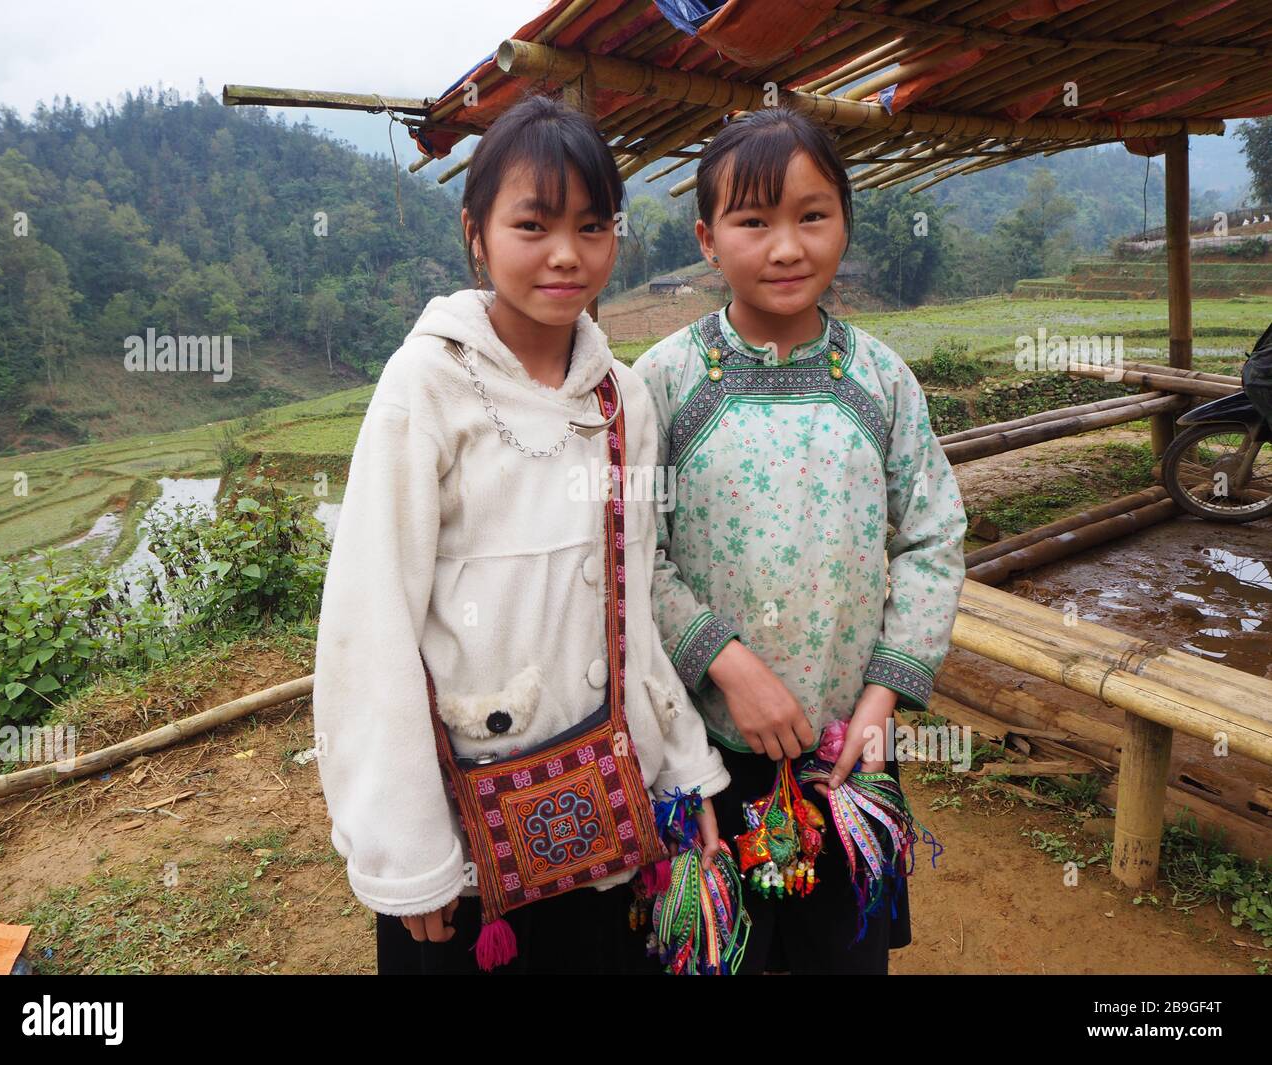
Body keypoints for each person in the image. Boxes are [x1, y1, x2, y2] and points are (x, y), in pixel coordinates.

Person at [312, 93, 727, 976]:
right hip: (467, 834)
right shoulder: (427, 382)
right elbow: (369, 615)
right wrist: (406, 852)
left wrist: (685, 774)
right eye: (533, 224)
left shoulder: (624, 399)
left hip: (608, 819)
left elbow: (636, 607)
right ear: (476, 231)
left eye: (593, 225)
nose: (567, 255)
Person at [633, 106, 967, 975]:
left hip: (849, 755)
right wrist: (729, 665)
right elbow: (634, 548)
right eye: (754, 221)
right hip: (707, 756)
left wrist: (881, 703)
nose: (787, 247)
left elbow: (934, 534)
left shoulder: (880, 379)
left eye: (812, 216)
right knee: (722, 957)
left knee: (843, 960)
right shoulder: (665, 382)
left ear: (844, 224)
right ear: (708, 239)